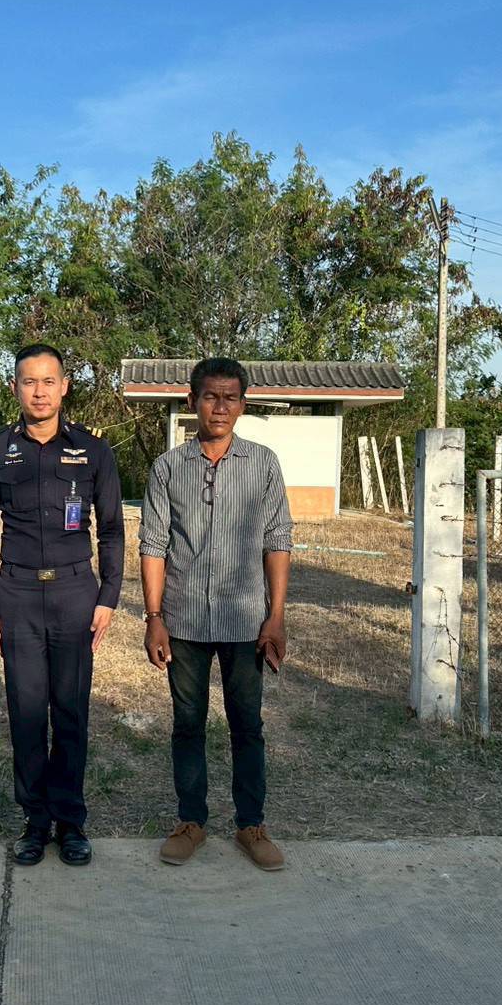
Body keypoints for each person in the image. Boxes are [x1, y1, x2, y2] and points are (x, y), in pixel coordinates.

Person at [0, 343, 124, 866]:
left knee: (71, 712)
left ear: (65, 387)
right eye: (29, 381)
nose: (39, 391)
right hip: (16, 595)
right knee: (28, 714)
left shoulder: (93, 451)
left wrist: (108, 597)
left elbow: (112, 530)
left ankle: (71, 822)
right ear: (15, 387)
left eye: (48, 381)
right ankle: (35, 822)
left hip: (75, 594)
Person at [139, 357, 293, 871]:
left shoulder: (263, 464)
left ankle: (251, 825)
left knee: (247, 724)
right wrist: (154, 617)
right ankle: (191, 822)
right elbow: (154, 545)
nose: (220, 407)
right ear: (192, 402)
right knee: (188, 724)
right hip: (183, 620)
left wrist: (275, 615)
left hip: (245, 620)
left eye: (230, 398)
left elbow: (277, 539)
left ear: (243, 405)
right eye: (210, 396)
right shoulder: (168, 468)